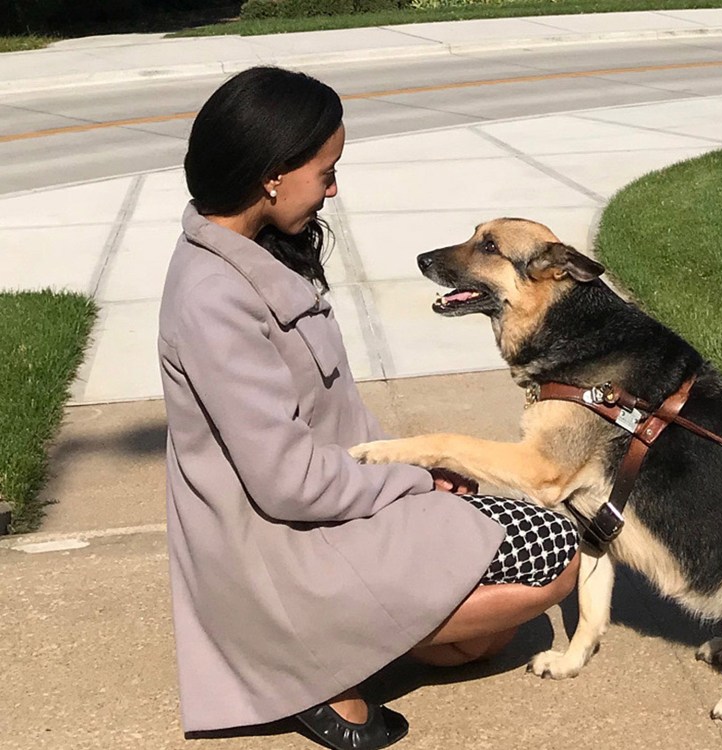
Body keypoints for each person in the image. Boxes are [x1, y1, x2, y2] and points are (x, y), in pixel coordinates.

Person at [158, 66, 581, 750]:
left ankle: (368, 634)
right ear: (272, 173)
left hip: (330, 506)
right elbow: (288, 482)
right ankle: (316, 656)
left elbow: (335, 418)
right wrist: (417, 479)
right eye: (326, 172)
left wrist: (420, 473)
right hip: (285, 548)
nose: (333, 188)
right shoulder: (215, 300)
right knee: (557, 557)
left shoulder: (250, 252)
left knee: (487, 637)